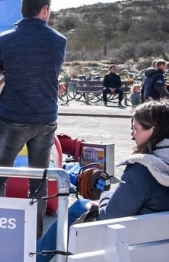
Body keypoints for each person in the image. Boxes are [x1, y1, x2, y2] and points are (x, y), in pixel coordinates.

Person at [35, 100, 169, 262]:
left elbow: (109, 216)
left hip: (130, 246)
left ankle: (35, 257)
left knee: (80, 206)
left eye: (135, 129)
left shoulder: (143, 168)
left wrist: (106, 194)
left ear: (153, 130)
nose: (132, 135)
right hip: (157, 246)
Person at [0, 0, 67, 236]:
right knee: (38, 180)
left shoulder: (5, 39)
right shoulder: (59, 40)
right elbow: (48, 71)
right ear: (44, 10)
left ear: (23, 10)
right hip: (45, 119)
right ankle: (35, 237)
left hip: (12, 118)